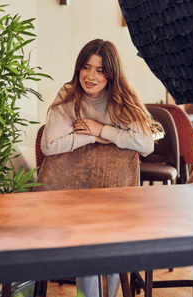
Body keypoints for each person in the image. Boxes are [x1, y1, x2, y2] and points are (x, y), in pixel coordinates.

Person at [41, 39, 160, 297]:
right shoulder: (68, 95)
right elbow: (49, 145)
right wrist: (94, 136)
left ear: (111, 74)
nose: (90, 76)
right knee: (89, 245)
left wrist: (101, 129)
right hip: (70, 194)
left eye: (99, 69)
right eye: (86, 67)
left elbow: (145, 143)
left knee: (108, 246)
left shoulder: (122, 99)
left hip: (114, 196)